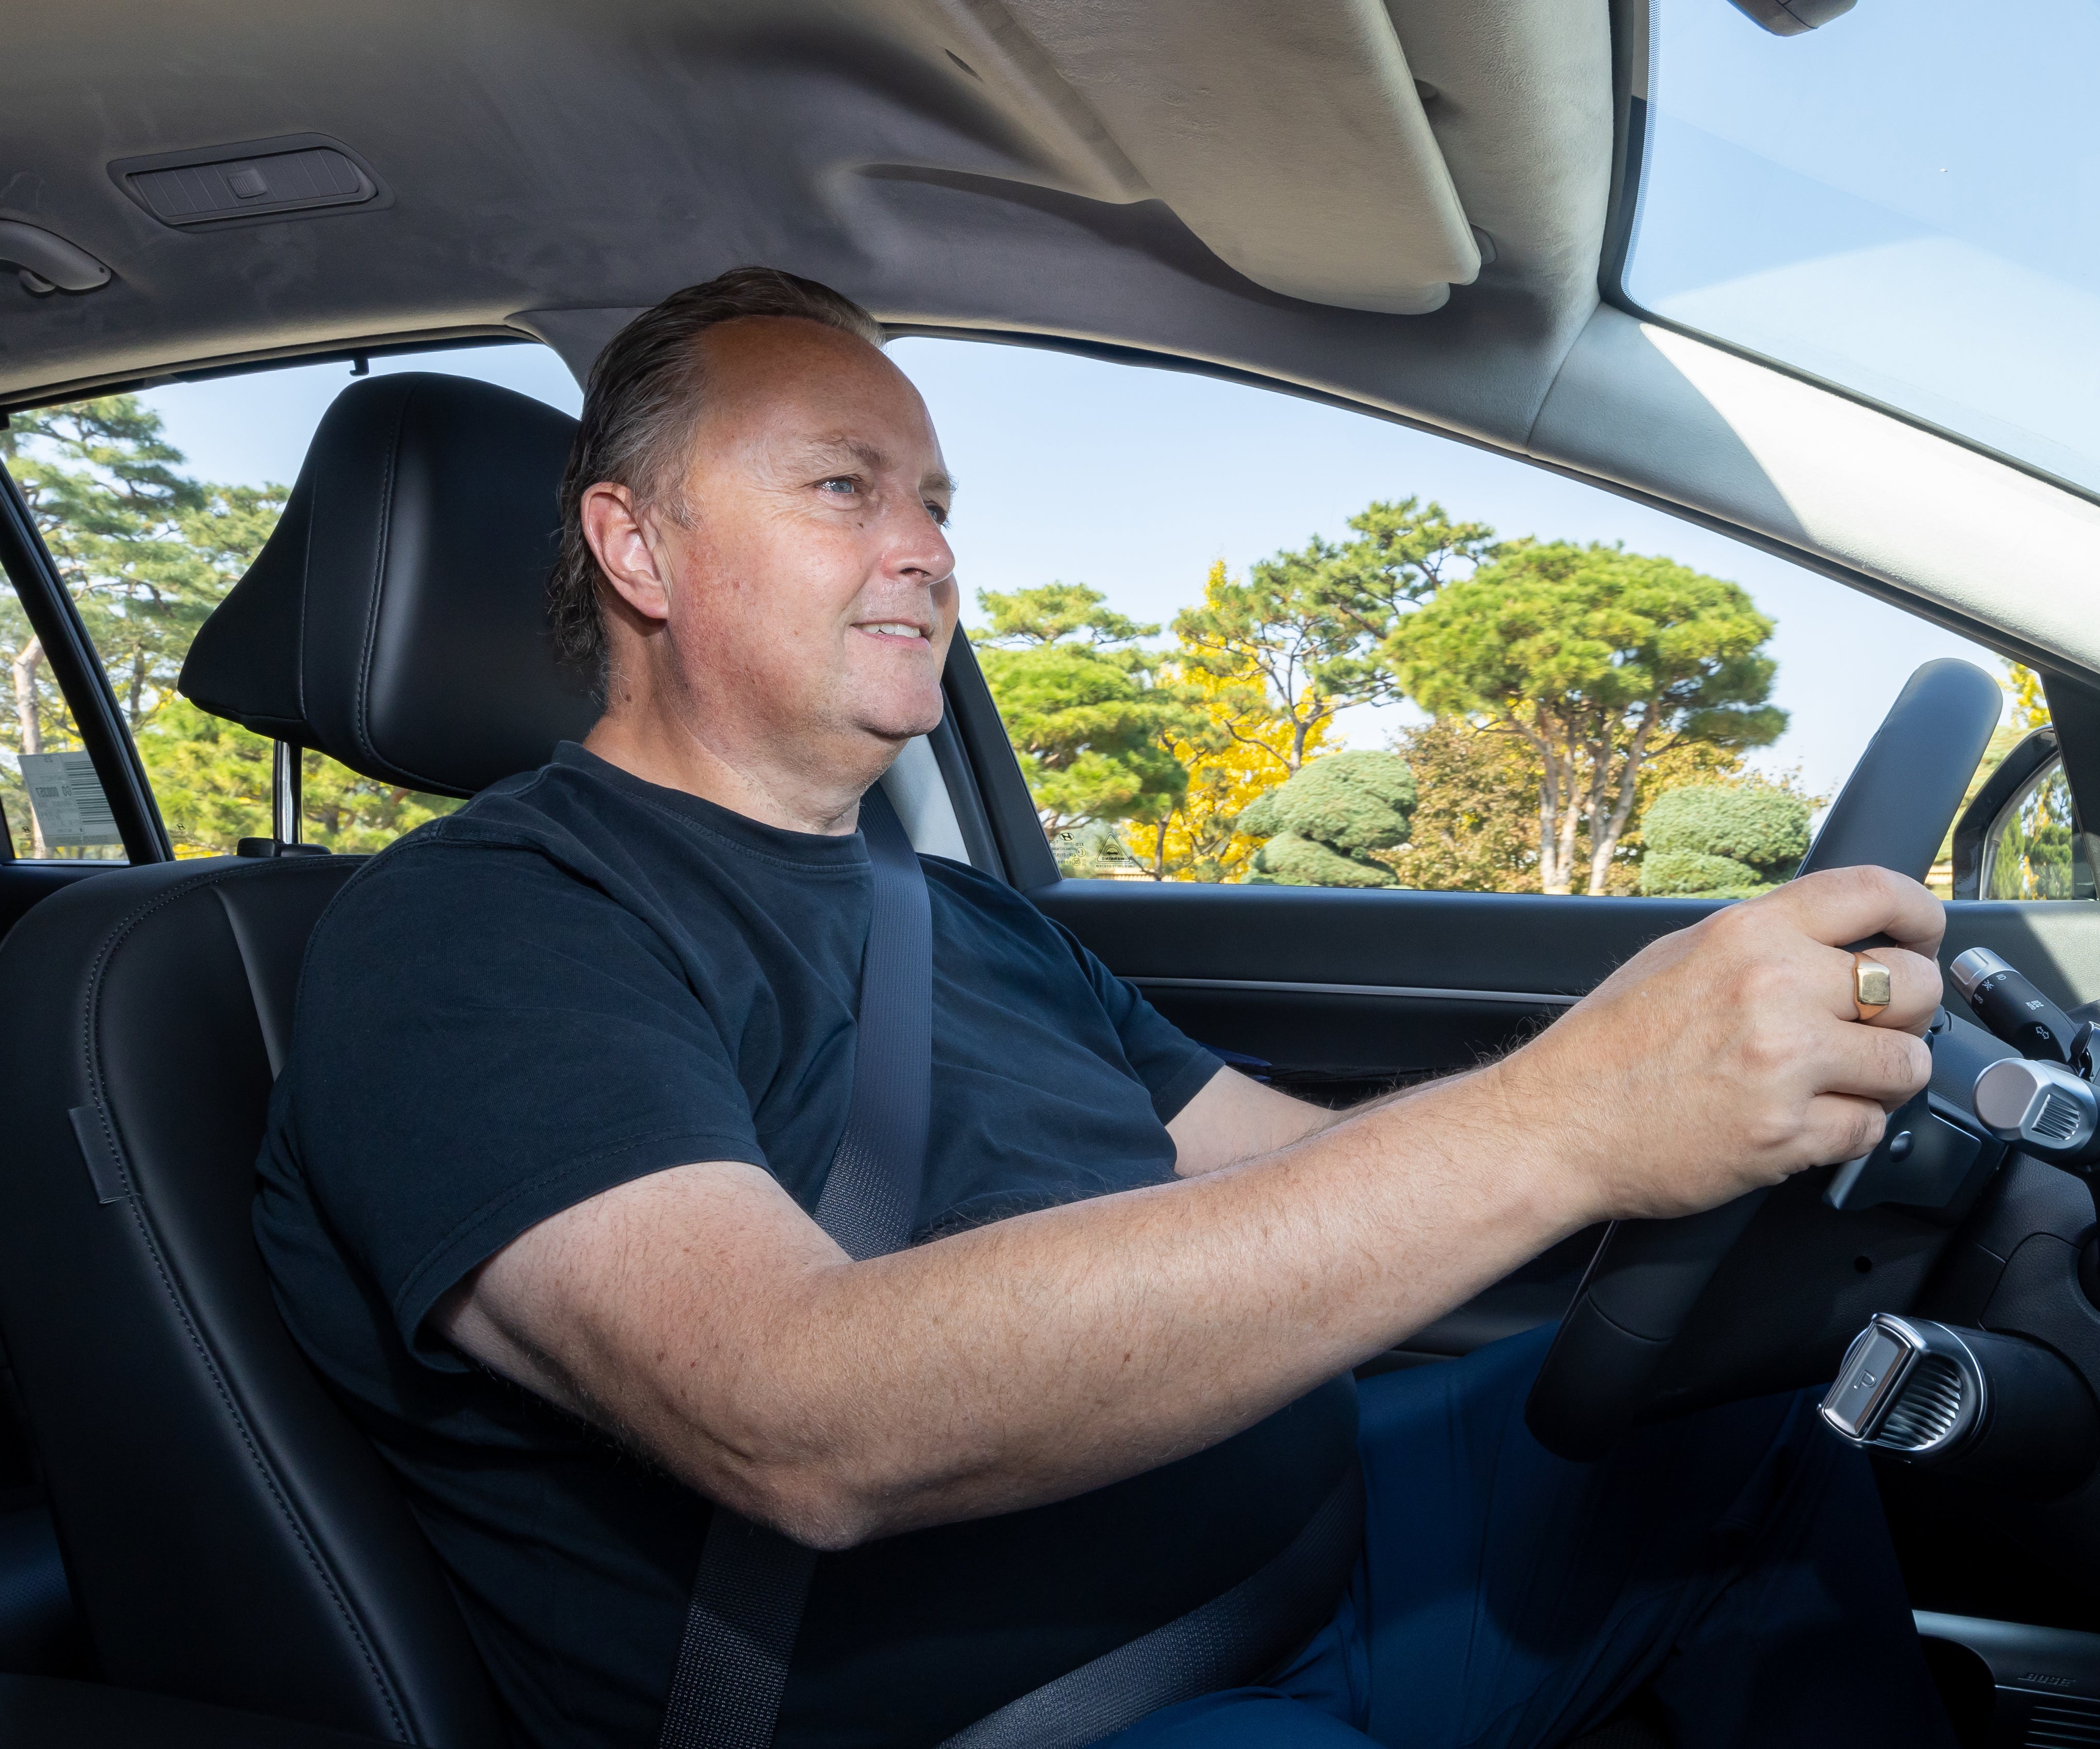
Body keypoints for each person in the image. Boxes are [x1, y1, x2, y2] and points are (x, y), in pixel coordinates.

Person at [254, 267, 1958, 1749]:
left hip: (1333, 1539)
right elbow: (796, 1413)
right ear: (634, 545)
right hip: (1047, 1712)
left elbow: (1291, 1166)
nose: (925, 550)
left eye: (932, 500)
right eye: (844, 488)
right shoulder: (479, 930)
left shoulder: (962, 919)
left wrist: (1698, 1125)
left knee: (1753, 1435)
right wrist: (1568, 1117)